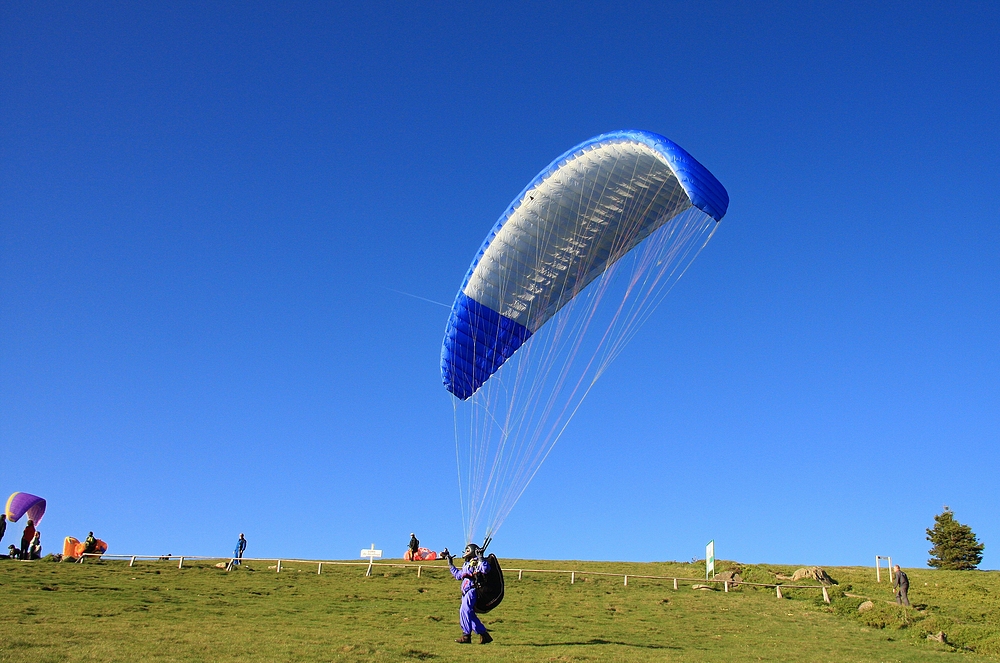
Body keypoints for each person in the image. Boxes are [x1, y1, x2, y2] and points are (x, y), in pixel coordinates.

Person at [445, 543, 493, 645]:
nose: (465, 552)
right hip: (465, 592)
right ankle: (484, 635)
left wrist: (481, 558)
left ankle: (466, 636)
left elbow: (485, 569)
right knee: (469, 614)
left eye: (467, 550)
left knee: (464, 611)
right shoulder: (466, 564)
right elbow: (458, 575)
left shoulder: (477, 562)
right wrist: (450, 564)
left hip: (472, 590)